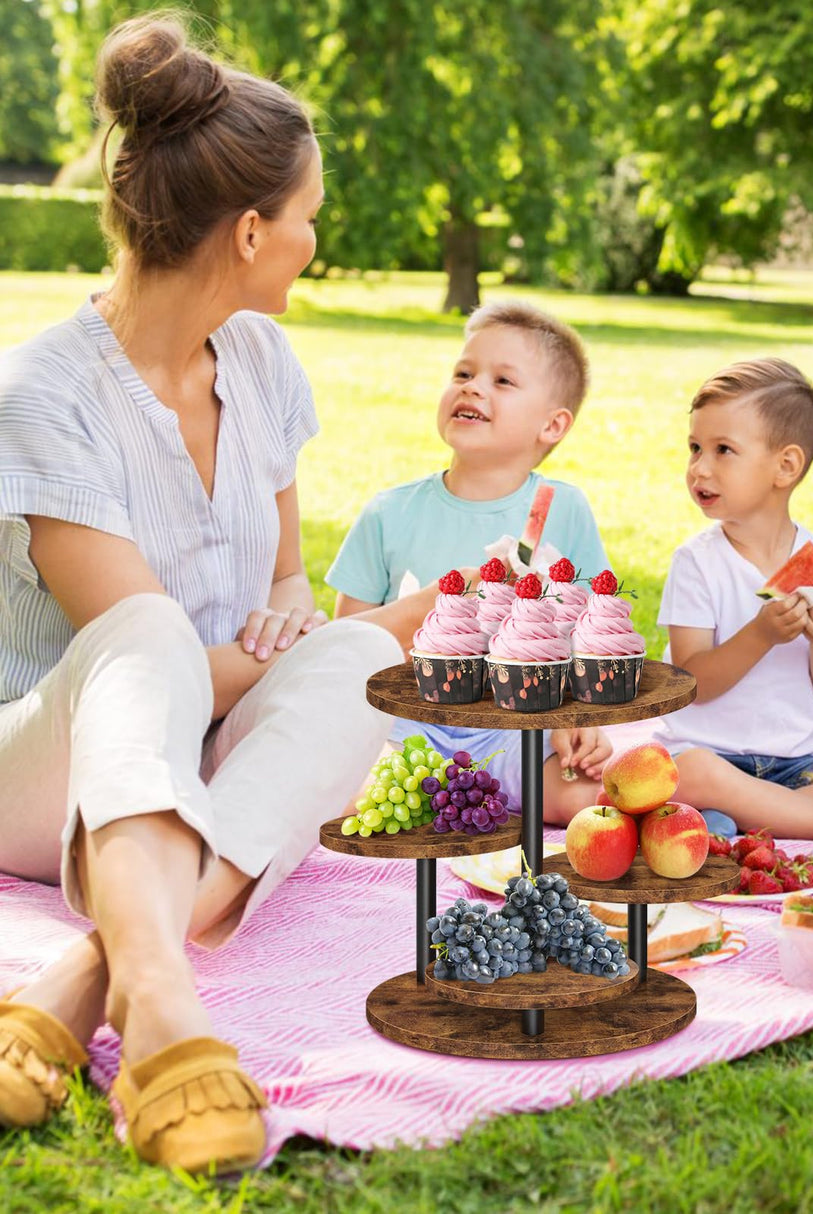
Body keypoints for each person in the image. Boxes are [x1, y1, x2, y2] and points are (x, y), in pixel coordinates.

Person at [0, 16, 412, 1173]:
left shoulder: (264, 363)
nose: (313, 238)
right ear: (246, 232)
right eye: (307, 215)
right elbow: (149, 659)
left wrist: (305, 623)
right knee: (155, 630)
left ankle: (97, 970)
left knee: (349, 662)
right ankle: (172, 1014)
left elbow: (284, 576)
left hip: (207, 742)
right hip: (47, 767)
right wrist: (327, 637)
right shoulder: (41, 393)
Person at [327, 299, 614, 825]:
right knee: (337, 793)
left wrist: (581, 716)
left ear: (552, 424)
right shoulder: (389, 513)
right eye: (463, 372)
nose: (472, 387)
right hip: (405, 725)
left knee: (588, 799)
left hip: (511, 730)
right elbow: (348, 643)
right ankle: (453, 797)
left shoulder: (564, 509)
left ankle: (462, 797)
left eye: (503, 381)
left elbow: (591, 635)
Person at [652, 359, 813, 838]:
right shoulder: (697, 562)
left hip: (792, 766)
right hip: (704, 757)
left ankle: (749, 820)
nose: (699, 468)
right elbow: (692, 683)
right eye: (694, 448)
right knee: (695, 774)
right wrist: (762, 633)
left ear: (785, 466)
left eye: (723, 450)